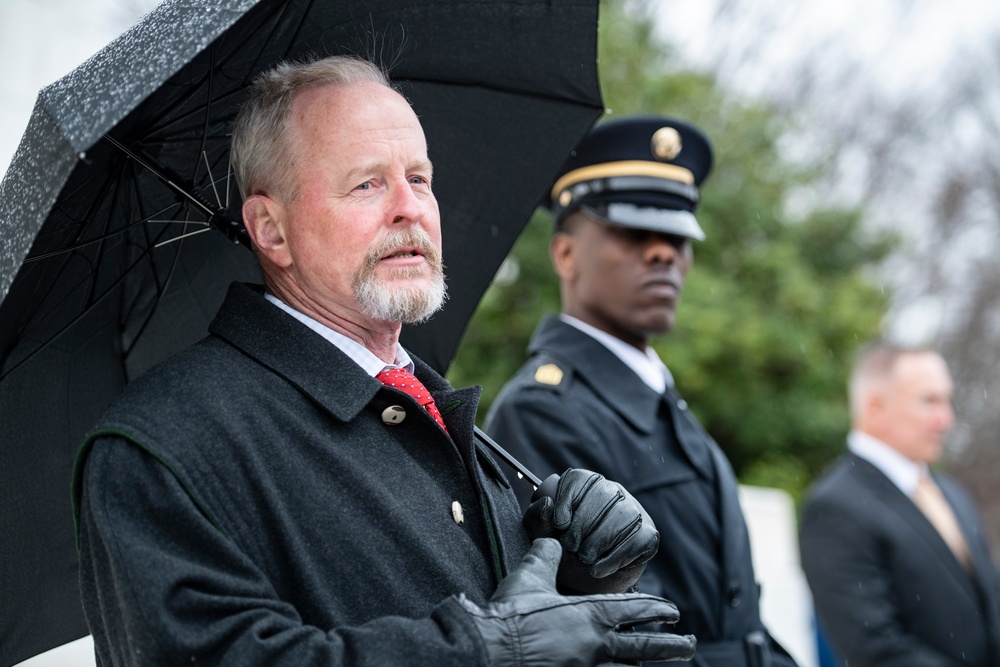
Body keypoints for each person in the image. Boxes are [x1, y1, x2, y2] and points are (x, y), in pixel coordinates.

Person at [71, 56, 699, 666]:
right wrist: (484, 650)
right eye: (367, 183)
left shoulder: (429, 404)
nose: (411, 208)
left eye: (420, 179)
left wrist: (582, 571)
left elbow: (507, 613)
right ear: (271, 230)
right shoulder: (163, 444)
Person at [483, 115, 797, 667]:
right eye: (633, 233)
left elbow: (737, 614)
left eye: (677, 237)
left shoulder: (659, 399)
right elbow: (600, 633)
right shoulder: (544, 409)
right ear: (564, 255)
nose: (663, 254)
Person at [799, 342, 1000, 667]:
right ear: (876, 407)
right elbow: (875, 650)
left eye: (947, 400)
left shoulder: (950, 492)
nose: (946, 419)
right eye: (929, 401)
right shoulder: (834, 507)